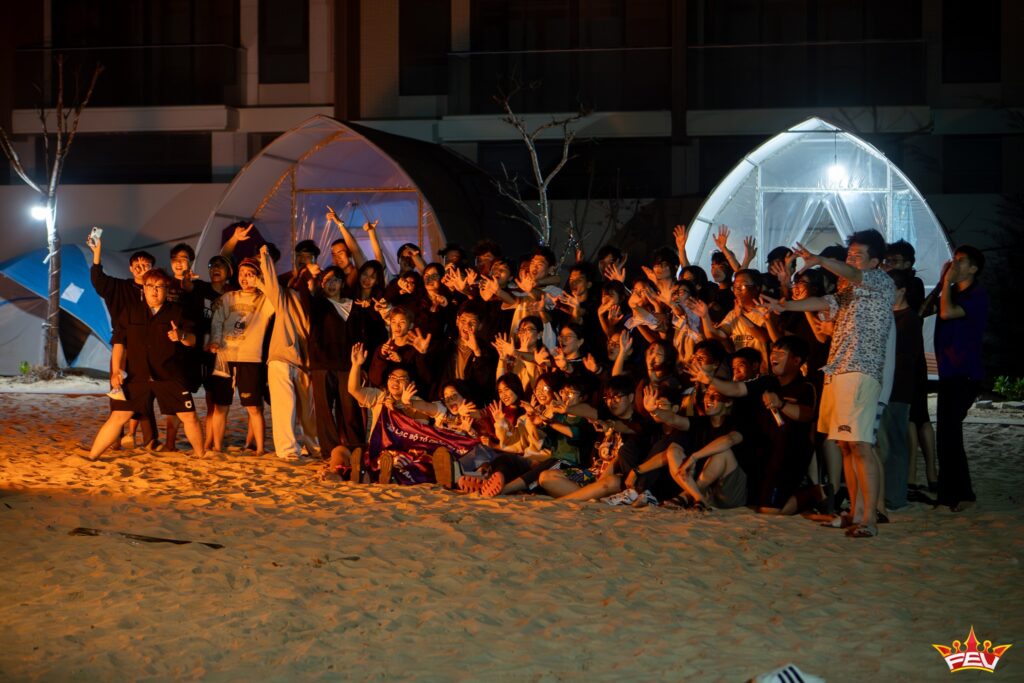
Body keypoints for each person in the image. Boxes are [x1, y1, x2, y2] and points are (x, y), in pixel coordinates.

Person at [766, 230, 895, 538]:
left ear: (875, 262)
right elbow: (822, 302)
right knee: (845, 445)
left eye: (857, 256)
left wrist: (820, 260)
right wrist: (784, 305)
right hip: (838, 371)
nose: (851, 261)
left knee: (861, 445)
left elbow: (853, 274)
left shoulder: (879, 281)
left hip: (861, 371)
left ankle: (870, 518)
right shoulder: (847, 290)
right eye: (849, 255)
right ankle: (855, 512)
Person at [87, 269, 204, 459]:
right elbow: (119, 343)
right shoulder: (130, 311)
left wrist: (181, 335)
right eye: (150, 286)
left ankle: (201, 456)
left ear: (167, 289)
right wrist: (116, 370)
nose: (154, 290)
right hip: (137, 376)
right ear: (144, 288)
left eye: (159, 286)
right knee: (118, 416)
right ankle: (92, 456)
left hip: (169, 375)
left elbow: (192, 340)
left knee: (189, 416)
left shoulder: (177, 312)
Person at [922, 245, 988, 512]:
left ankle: (955, 495)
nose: (954, 265)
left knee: (949, 433)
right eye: (954, 260)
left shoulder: (977, 295)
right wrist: (941, 284)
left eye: (960, 262)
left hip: (966, 372)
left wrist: (948, 285)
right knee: (948, 434)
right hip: (949, 372)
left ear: (973, 269)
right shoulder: (950, 292)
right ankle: (958, 494)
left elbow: (948, 313)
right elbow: (923, 311)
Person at [88, 234, 158, 448]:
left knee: (146, 394)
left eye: (145, 264)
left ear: (152, 268)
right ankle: (116, 440)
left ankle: (150, 440)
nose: (140, 267)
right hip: (123, 346)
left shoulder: (158, 290)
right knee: (118, 391)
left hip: (148, 349)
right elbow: (99, 281)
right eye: (136, 264)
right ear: (130, 268)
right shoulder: (120, 288)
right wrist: (97, 253)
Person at [206, 258, 275, 454]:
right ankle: (217, 447)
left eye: (250, 274)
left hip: (251, 358)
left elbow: (276, 297)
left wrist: (260, 283)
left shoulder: (264, 300)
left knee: (253, 407)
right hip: (225, 357)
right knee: (221, 405)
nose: (245, 278)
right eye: (242, 273)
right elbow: (217, 320)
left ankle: (260, 448)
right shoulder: (229, 297)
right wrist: (215, 341)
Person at [257, 243, 318, 461]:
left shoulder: (320, 295)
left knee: (309, 410)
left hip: (308, 361)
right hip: (282, 356)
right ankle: (287, 450)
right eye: (299, 256)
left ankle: (315, 446)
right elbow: (271, 283)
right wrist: (265, 258)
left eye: (307, 256)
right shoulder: (285, 294)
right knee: (285, 406)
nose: (302, 260)